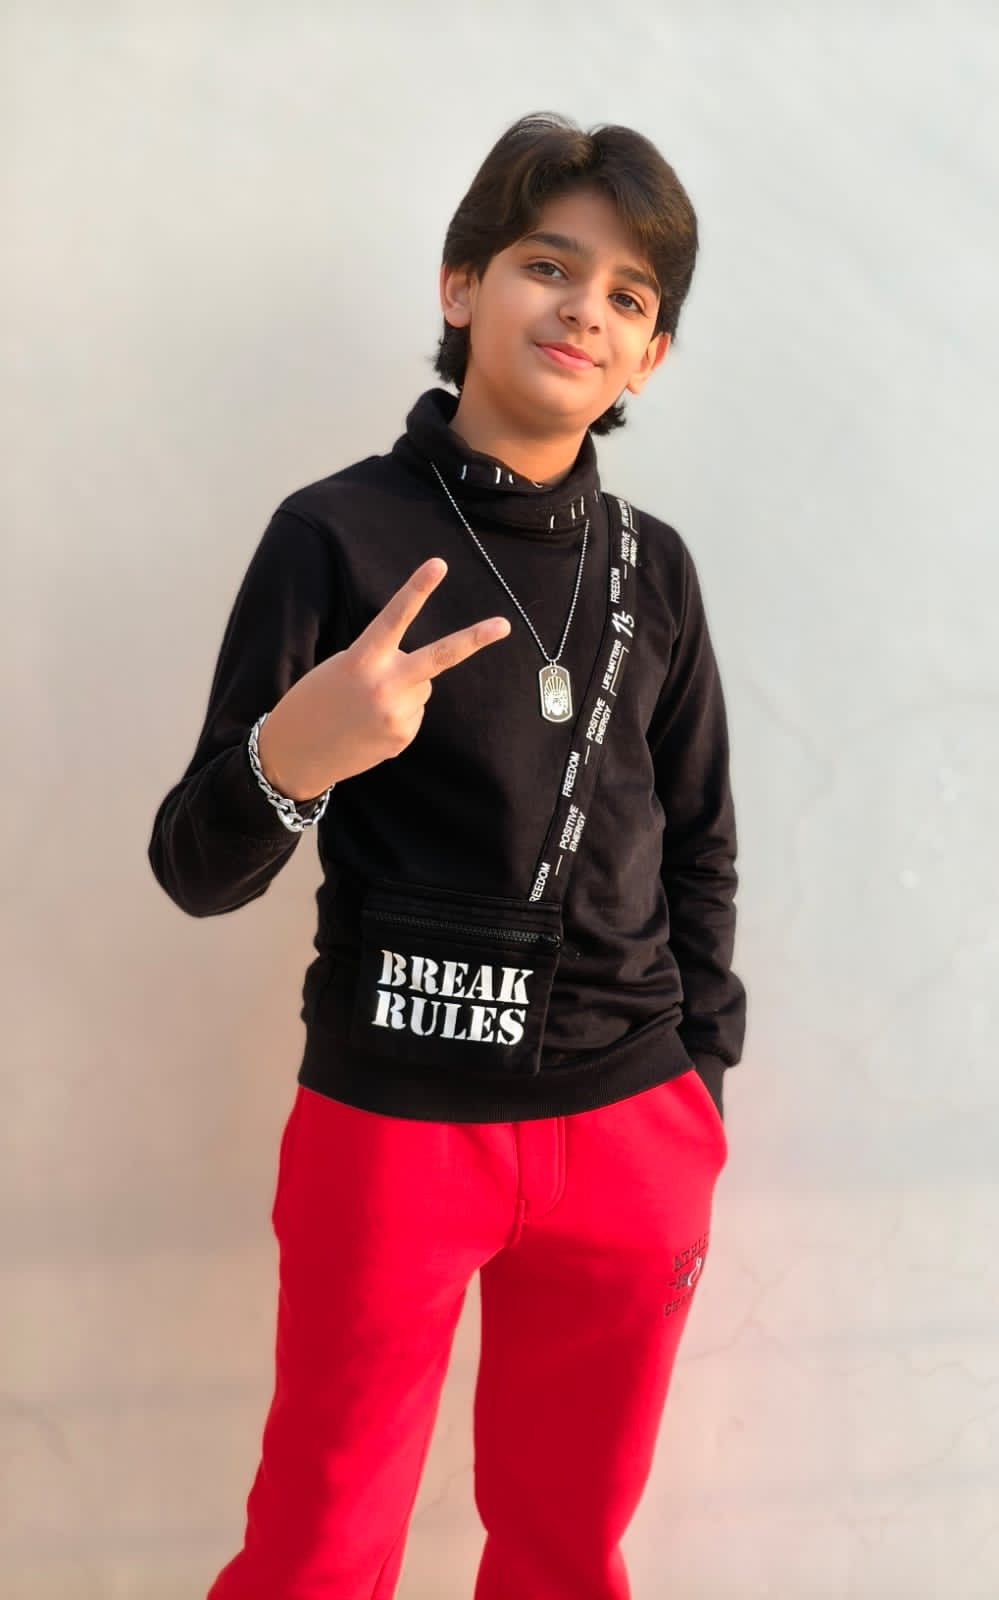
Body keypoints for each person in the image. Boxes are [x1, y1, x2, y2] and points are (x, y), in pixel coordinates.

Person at [148, 109, 746, 1600]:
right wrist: (299, 756)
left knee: (565, 1550)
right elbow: (195, 864)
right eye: (550, 265)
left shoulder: (657, 568)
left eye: (627, 296)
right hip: (394, 1127)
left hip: (630, 1126)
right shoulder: (336, 535)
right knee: (317, 1552)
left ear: (651, 356)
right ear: (461, 284)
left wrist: (699, 1088)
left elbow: (700, 846)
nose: (584, 309)